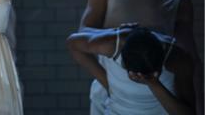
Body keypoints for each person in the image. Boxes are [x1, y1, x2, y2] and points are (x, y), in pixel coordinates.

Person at [78, 0, 203, 114]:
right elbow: (82, 36)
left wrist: (199, 107)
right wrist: (109, 82)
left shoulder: (179, 1)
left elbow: (191, 59)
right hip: (112, 94)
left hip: (158, 92)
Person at [67, 26, 196, 115]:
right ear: (123, 61)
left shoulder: (178, 59)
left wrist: (154, 84)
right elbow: (73, 43)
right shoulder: (111, 44)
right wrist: (106, 83)